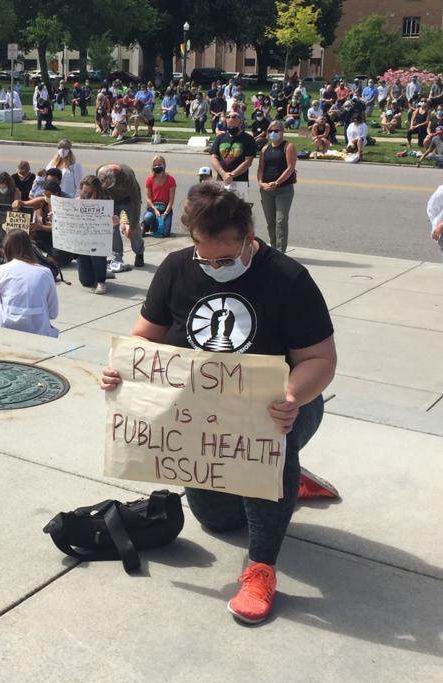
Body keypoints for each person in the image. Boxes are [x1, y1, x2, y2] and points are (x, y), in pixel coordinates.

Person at [99, 184, 338, 623]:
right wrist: (123, 369)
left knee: (267, 457)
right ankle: (292, 478)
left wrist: (291, 396)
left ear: (249, 236)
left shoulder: (288, 278)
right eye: (203, 257)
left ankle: (261, 568)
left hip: (280, 412)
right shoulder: (176, 268)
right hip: (202, 420)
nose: (213, 268)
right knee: (217, 519)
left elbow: (321, 360)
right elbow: (143, 338)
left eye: (225, 260)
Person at [0, 229, 59, 337]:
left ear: (6, 251)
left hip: (5, 328)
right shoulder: (45, 273)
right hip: (38, 331)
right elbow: (53, 312)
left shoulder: (0, 271)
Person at [256, 121, 297, 253]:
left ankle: (280, 251)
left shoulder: (288, 146)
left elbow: (290, 168)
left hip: (283, 189)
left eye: (277, 130)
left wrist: (277, 182)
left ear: (282, 131)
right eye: (271, 130)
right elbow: (260, 168)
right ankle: (273, 249)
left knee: (281, 220)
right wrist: (261, 182)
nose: (273, 133)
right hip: (266, 190)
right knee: (271, 221)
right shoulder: (264, 149)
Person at [97, 162, 144, 273]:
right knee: (112, 228)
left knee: (135, 229)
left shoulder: (127, 175)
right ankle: (117, 257)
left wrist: (131, 226)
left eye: (110, 185)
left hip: (129, 200)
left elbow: (135, 202)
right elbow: (100, 193)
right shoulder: (100, 171)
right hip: (111, 201)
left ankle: (139, 252)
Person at [75, 175, 112, 294]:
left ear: (95, 190)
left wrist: (114, 220)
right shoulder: (77, 201)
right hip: (83, 241)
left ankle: (102, 281)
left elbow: (111, 219)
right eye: (83, 190)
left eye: (88, 192)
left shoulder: (104, 202)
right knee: (86, 282)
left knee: (98, 255)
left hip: (98, 241)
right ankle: (99, 272)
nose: (85, 193)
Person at [209, 111, 257, 201]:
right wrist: (223, 174)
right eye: (229, 125)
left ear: (240, 123)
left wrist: (232, 175)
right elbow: (214, 157)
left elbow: (248, 161)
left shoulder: (248, 139)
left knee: (238, 211)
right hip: (221, 180)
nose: (231, 128)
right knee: (220, 208)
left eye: (234, 126)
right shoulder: (220, 138)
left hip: (240, 181)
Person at [142, 156, 177, 238]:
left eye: (159, 164)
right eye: (155, 165)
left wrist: (165, 213)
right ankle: (146, 225)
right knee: (148, 217)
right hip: (153, 207)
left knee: (165, 233)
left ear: (164, 165)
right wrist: (155, 210)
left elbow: (171, 200)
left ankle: (155, 226)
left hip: (165, 208)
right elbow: (148, 198)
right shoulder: (149, 179)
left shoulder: (171, 180)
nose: (157, 166)